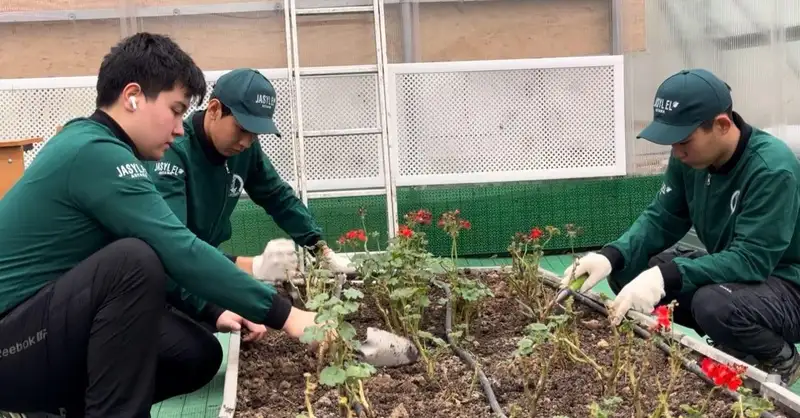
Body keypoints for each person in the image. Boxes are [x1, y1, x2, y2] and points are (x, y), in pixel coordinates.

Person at [0, 33, 325, 417]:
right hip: (11, 345)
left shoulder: (101, 147)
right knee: (134, 260)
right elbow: (177, 247)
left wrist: (213, 310)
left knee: (195, 354)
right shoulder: (95, 154)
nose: (178, 128)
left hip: (43, 327)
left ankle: (73, 408)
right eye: (175, 109)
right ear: (133, 96)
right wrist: (287, 315)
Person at [561, 68, 800, 386]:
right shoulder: (690, 158)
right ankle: (734, 342)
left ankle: (779, 356)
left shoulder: (771, 169)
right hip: (742, 277)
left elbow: (751, 260)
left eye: (684, 141)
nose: (676, 152)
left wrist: (665, 277)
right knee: (631, 268)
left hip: (788, 284)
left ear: (722, 125)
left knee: (713, 303)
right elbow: (662, 217)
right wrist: (611, 255)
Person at [144, 67, 355, 281]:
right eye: (241, 128)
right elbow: (175, 245)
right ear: (214, 109)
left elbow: (277, 196)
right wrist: (254, 267)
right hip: (168, 274)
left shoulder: (245, 150)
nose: (246, 142)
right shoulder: (174, 151)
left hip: (206, 263)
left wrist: (320, 250)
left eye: (255, 133)